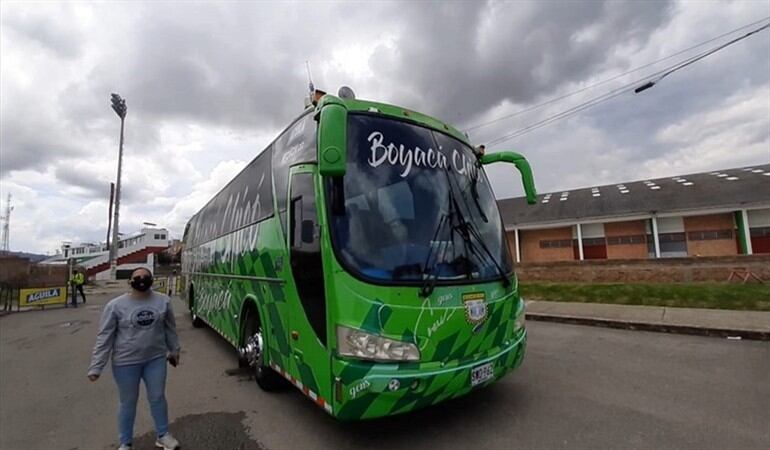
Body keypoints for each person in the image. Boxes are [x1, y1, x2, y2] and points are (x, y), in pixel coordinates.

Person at [87, 267, 181, 450]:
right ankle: (125, 442)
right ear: (130, 281)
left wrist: (174, 350)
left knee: (158, 397)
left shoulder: (163, 301)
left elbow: (170, 329)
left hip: (155, 359)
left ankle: (163, 435)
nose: (142, 280)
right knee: (128, 402)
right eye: (137, 277)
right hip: (125, 362)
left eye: (146, 277)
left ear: (152, 280)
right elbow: (104, 337)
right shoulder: (115, 306)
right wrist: (96, 367)